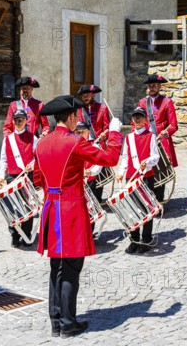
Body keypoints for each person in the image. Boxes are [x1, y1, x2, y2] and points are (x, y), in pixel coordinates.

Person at [35, 95, 123, 338]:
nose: (79, 120)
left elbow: (37, 179)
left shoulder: (41, 143)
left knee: (56, 267)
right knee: (71, 267)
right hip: (70, 209)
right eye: (77, 116)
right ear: (71, 117)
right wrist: (115, 133)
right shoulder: (73, 141)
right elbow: (111, 158)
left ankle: (56, 321)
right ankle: (67, 323)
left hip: (50, 207)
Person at [116, 107, 160, 254]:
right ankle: (134, 239)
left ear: (145, 119)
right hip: (131, 176)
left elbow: (156, 157)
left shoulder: (151, 136)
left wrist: (146, 162)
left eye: (140, 117)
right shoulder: (128, 138)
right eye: (135, 117)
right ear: (132, 120)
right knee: (132, 209)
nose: (137, 120)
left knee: (146, 208)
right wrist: (121, 172)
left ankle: (146, 240)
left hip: (146, 176)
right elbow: (125, 157)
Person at [0, 109, 38, 248]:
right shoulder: (8, 140)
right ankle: (14, 234)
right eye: (16, 120)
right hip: (12, 177)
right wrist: (1, 177)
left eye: (22, 119)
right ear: (12, 121)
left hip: (27, 177)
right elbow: (3, 161)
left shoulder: (33, 138)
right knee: (13, 207)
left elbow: (38, 158)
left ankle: (27, 234)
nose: (19, 122)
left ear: (26, 121)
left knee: (28, 206)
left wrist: (32, 166)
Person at [137, 74, 179, 201]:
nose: (152, 88)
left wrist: (165, 133)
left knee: (160, 171)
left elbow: (173, 125)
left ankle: (159, 201)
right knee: (147, 171)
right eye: (150, 86)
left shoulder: (167, 102)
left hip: (161, 142)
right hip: (146, 141)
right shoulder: (142, 102)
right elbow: (136, 122)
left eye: (154, 85)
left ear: (159, 86)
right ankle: (148, 201)